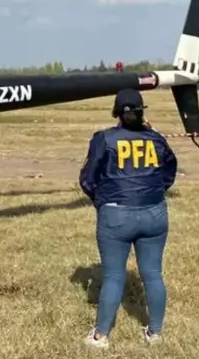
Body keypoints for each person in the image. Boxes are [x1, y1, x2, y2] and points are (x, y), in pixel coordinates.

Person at [79, 88, 177, 349]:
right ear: (142, 112)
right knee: (153, 274)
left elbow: (87, 178)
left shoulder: (104, 138)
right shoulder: (156, 138)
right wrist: (152, 192)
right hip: (154, 212)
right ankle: (155, 333)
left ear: (116, 113)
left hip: (116, 214)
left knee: (113, 276)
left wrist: (102, 201)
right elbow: (169, 172)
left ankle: (101, 336)